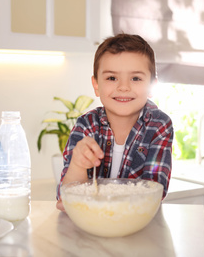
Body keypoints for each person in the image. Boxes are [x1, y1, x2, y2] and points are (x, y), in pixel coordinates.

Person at [56, 33, 174, 211]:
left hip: (137, 226)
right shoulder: (87, 124)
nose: (123, 87)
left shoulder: (159, 125)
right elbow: (66, 199)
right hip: (90, 225)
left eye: (135, 78)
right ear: (96, 85)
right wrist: (78, 165)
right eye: (112, 78)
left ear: (151, 86)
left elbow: (154, 192)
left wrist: (96, 200)